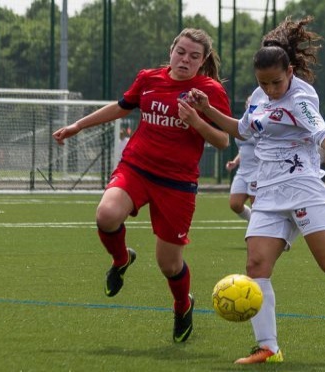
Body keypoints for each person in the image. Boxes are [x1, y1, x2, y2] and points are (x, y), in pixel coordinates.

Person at [184, 16, 325, 364]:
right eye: (263, 82)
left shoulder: (301, 97)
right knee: (256, 265)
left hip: (302, 188)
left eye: (276, 82)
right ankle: (268, 347)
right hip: (268, 193)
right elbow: (242, 131)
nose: (270, 89)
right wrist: (206, 109)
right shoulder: (258, 96)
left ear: (290, 73)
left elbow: (320, 131)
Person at [52, 28, 231, 343]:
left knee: (169, 264)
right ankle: (121, 259)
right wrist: (78, 125)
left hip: (177, 183)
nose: (185, 59)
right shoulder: (148, 78)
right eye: (181, 52)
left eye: (194, 56)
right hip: (136, 168)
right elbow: (122, 106)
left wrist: (197, 120)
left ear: (203, 61)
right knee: (106, 215)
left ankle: (182, 305)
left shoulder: (208, 91)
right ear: (171, 50)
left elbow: (223, 140)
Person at [226, 135, 258, 221]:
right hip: (242, 172)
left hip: (257, 172)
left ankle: (258, 227)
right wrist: (235, 162)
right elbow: (243, 149)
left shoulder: (260, 125)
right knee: (235, 204)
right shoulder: (242, 126)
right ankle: (252, 221)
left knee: (256, 207)